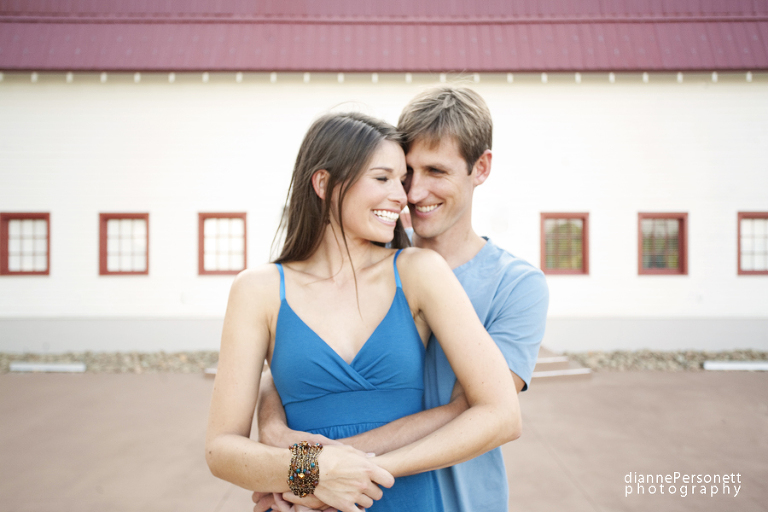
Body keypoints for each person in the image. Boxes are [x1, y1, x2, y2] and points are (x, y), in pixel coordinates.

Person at [205, 111, 521, 512]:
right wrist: (312, 474)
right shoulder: (258, 290)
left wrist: (349, 474)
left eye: (401, 180)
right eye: (383, 178)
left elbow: (502, 414)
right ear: (324, 184)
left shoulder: (419, 272)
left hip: (403, 499)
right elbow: (221, 449)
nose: (403, 195)